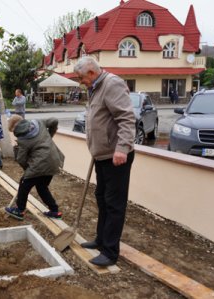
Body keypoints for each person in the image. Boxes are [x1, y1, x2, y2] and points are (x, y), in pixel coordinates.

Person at [74, 56, 135, 267]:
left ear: (91, 72)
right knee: (101, 198)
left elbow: (126, 118)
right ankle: (101, 240)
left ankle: (110, 252)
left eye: (81, 78)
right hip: (102, 155)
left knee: (114, 203)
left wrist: (122, 148)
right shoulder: (95, 87)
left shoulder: (112, 83)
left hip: (116, 157)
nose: (80, 82)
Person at [4, 114, 65, 221]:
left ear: (14, 127)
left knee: (24, 184)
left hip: (40, 164)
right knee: (42, 187)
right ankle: (55, 211)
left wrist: (27, 170)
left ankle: (19, 210)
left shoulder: (22, 139)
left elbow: (21, 159)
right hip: (54, 160)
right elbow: (54, 120)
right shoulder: (38, 122)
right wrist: (50, 135)